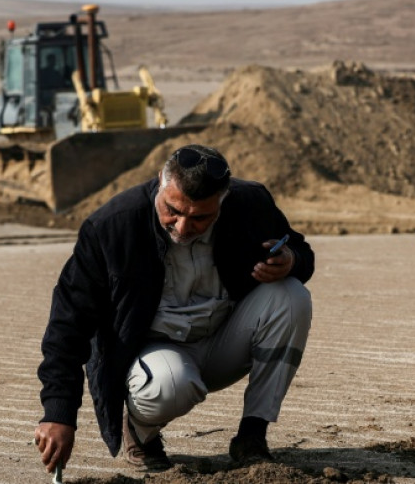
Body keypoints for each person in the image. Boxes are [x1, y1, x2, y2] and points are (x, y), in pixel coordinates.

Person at [33, 144, 314, 473]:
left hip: (223, 340)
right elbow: (68, 323)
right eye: (172, 211)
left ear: (223, 201)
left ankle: (252, 437)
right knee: (171, 384)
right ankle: (140, 434)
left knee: (291, 296)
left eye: (200, 218)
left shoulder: (249, 202)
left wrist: (290, 260)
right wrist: (58, 413)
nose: (182, 227)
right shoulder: (111, 226)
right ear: (160, 183)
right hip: (154, 353)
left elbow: (298, 248)